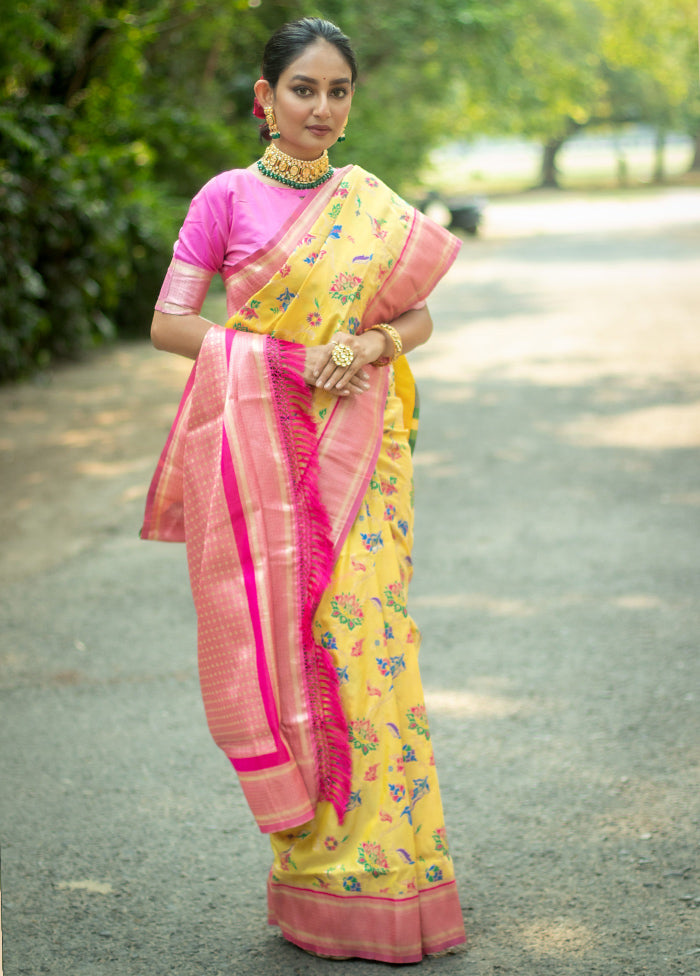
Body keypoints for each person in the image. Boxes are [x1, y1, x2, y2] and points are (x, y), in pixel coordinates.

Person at [142, 17, 467, 964]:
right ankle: (316, 879)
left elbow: (420, 316)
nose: (322, 109)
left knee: (367, 645)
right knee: (290, 651)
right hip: (261, 451)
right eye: (303, 91)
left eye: (338, 92)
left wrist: (371, 344)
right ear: (264, 97)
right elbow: (170, 324)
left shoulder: (369, 202)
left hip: (363, 447)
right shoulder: (225, 197)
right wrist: (275, 363)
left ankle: (394, 874)